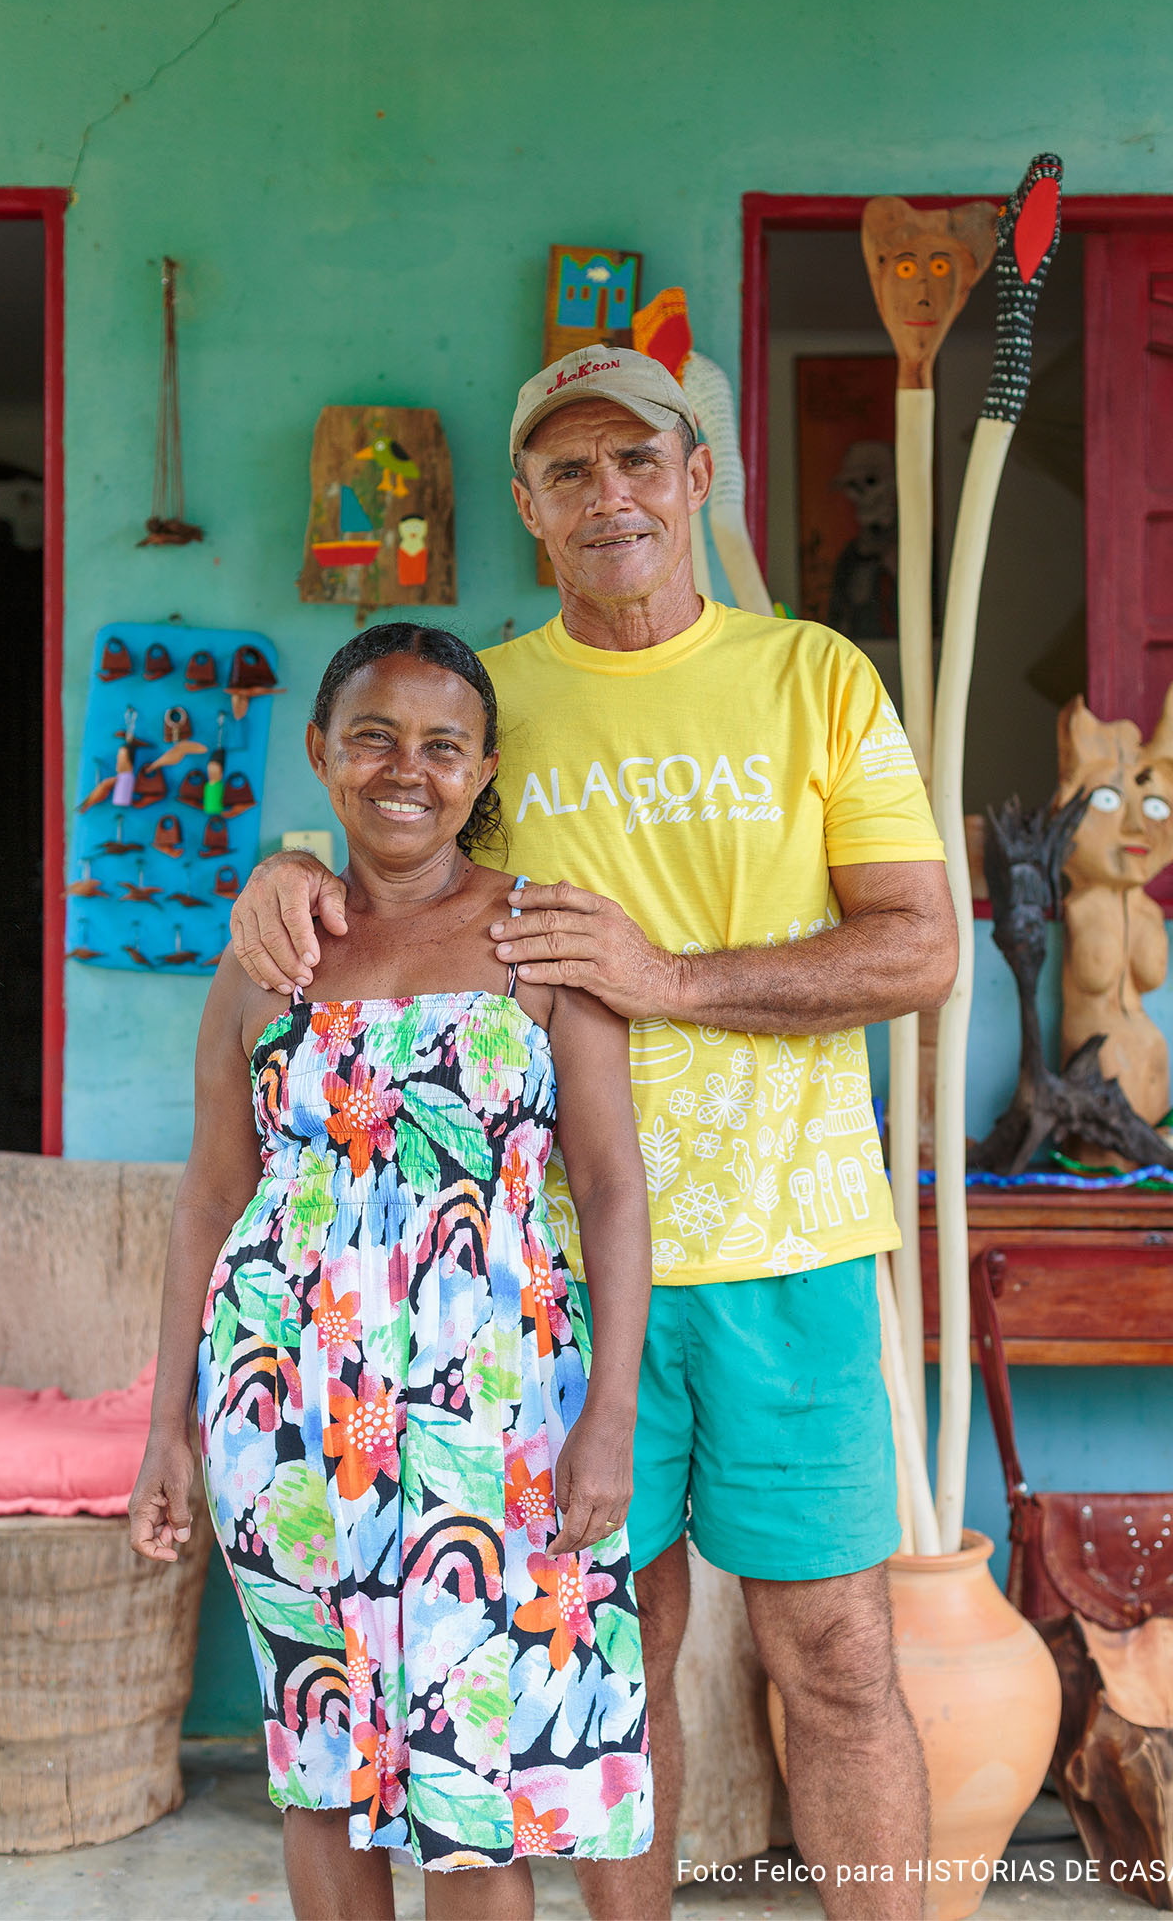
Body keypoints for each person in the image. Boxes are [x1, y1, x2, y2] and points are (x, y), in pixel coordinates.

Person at [232, 345, 960, 1921]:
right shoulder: (496, 701)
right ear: (527, 505)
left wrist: (669, 976)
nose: (609, 494)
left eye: (638, 459)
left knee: (833, 1658)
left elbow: (919, 948)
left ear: (699, 475)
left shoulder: (816, 678)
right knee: (598, 1683)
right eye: (569, 471)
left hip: (794, 1252)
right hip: (538, 1297)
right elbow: (388, 862)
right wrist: (276, 875)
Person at [130, 625, 654, 1921]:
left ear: (482, 772)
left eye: (440, 744)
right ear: (321, 754)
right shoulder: (271, 961)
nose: (403, 768)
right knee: (322, 1767)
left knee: (487, 1789)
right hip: (288, 1422)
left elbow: (612, 1189)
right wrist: (167, 1430)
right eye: (371, 736)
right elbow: (209, 1194)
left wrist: (613, 1418)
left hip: (504, 1431)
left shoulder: (546, 945)